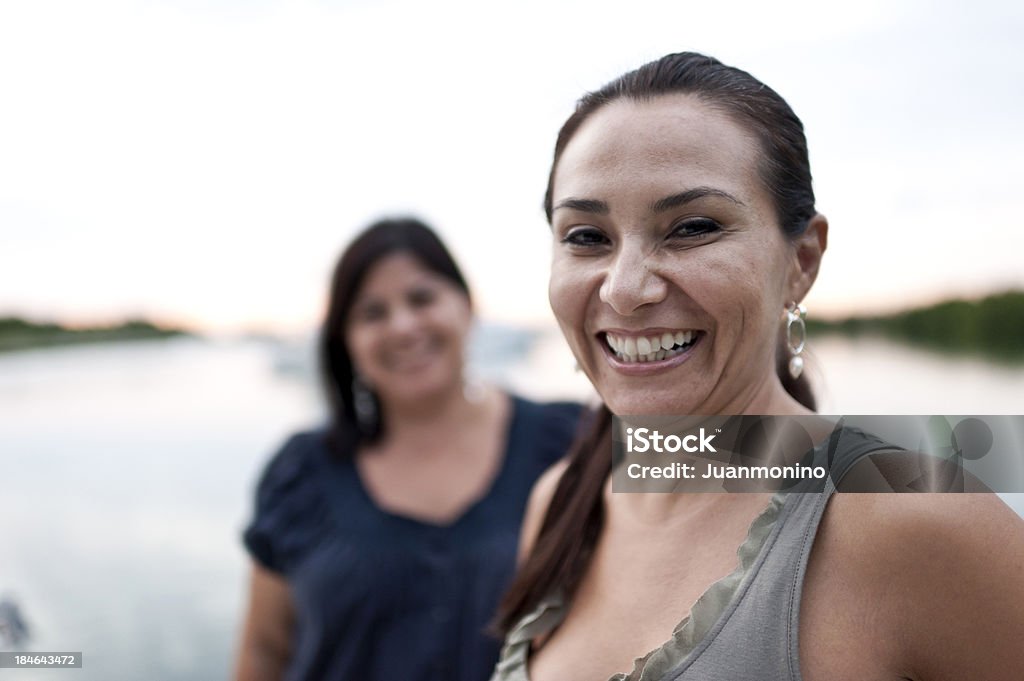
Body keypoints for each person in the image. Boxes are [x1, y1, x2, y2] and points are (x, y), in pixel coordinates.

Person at [491, 52, 1024, 681]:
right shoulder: (558, 501)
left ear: (801, 260)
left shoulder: (917, 517)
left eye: (691, 227)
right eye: (585, 236)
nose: (624, 289)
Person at [235, 217, 582, 681]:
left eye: (422, 298)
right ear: (346, 342)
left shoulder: (575, 437)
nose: (402, 326)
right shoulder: (299, 473)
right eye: (372, 313)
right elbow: (263, 652)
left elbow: (710, 456)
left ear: (466, 306)